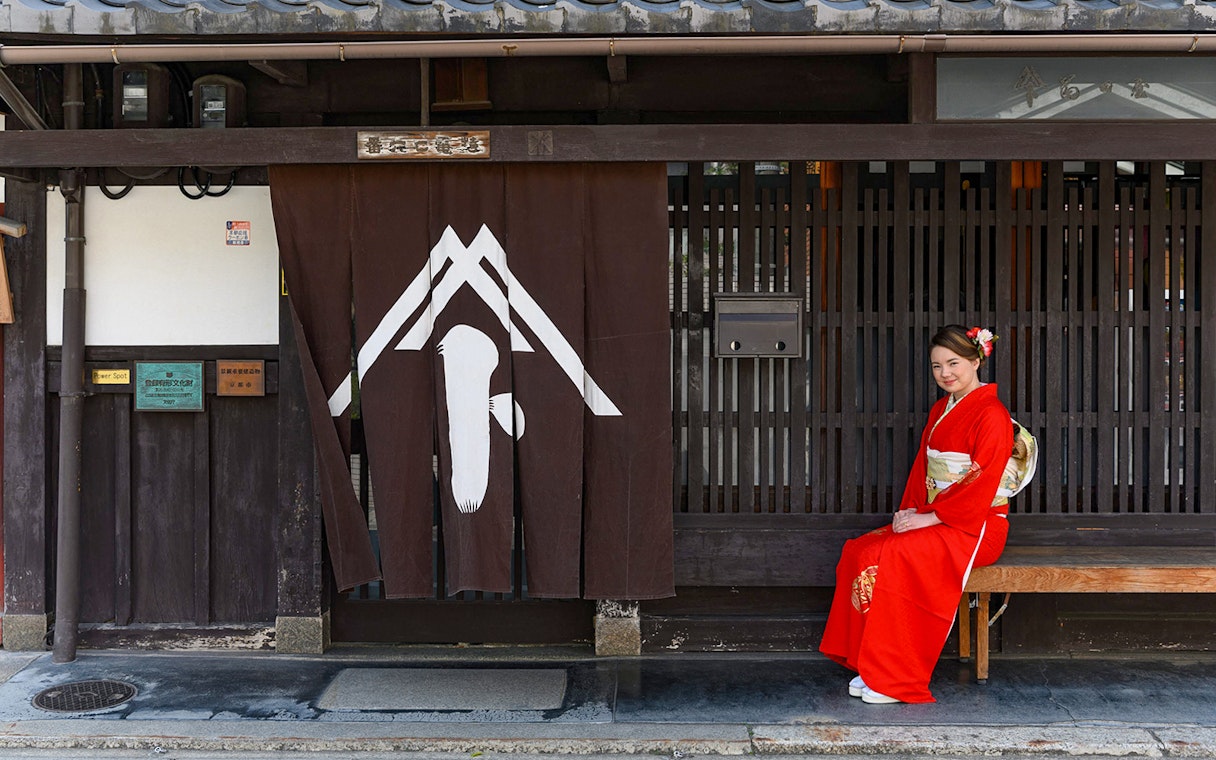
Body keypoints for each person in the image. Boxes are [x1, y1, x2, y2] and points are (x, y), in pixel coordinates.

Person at [818, 324, 1019, 705]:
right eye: (937, 366)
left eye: (954, 363)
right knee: (860, 551)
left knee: (894, 557)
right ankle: (871, 664)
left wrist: (932, 518)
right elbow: (922, 471)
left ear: (976, 360)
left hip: (976, 526)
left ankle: (897, 676)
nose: (945, 373)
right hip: (939, 515)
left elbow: (983, 479)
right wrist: (909, 511)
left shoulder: (991, 413)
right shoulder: (942, 409)